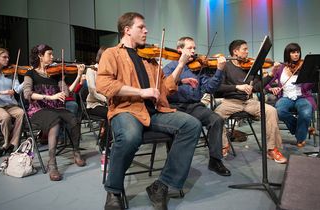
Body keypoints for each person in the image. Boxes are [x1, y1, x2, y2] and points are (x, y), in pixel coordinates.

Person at [96, 12, 201, 210]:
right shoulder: (112, 54)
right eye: (141, 27)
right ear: (127, 30)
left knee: (192, 125)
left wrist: (180, 65)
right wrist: (140, 92)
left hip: (154, 111)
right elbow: (104, 84)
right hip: (126, 110)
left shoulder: (150, 58)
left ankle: (160, 185)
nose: (146, 31)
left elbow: (165, 87)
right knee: (129, 136)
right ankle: (114, 190)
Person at [162, 36, 231, 177]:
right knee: (187, 126)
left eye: (194, 48)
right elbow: (165, 88)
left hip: (194, 106)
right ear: (179, 50)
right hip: (175, 107)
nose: (193, 51)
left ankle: (215, 160)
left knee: (216, 120)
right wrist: (181, 80)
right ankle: (175, 164)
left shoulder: (200, 67)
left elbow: (210, 88)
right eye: (189, 48)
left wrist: (219, 71)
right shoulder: (170, 67)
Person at [214, 39, 287, 164]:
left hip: (249, 101)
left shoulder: (251, 66)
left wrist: (272, 74)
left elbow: (258, 87)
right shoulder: (225, 66)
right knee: (216, 116)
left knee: (271, 111)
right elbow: (217, 87)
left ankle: (272, 149)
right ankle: (223, 145)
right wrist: (237, 87)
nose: (247, 52)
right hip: (230, 101)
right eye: (245, 49)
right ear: (235, 52)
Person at [23, 44, 86, 181]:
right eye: (49, 54)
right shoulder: (30, 74)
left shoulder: (56, 73)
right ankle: (52, 163)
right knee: (55, 122)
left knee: (74, 120)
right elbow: (27, 94)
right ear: (40, 56)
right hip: (38, 110)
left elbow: (68, 92)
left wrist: (79, 75)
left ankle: (76, 151)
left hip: (56, 108)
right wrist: (49, 97)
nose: (52, 57)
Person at [265, 43, 316, 147]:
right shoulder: (280, 68)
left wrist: (312, 76)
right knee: (279, 111)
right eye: (293, 52)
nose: (296, 54)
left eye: (298, 52)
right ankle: (302, 131)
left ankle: (300, 139)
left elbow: (309, 86)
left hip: (302, 97)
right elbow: (267, 82)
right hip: (286, 97)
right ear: (288, 54)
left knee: (306, 113)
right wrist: (271, 88)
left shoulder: (304, 66)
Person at [86, 46, 108, 150]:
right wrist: (106, 99)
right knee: (111, 114)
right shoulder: (91, 70)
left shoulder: (109, 70)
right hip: (94, 105)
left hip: (107, 104)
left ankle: (113, 140)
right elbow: (93, 91)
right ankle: (104, 144)